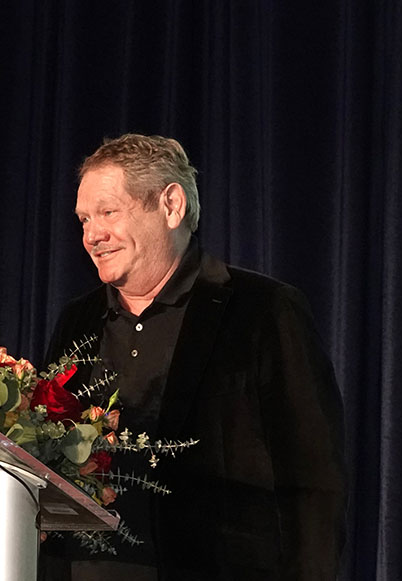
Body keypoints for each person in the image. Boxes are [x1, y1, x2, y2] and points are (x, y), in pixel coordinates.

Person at [39, 134, 346, 580]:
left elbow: (314, 481)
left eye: (108, 212)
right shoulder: (77, 320)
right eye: (84, 218)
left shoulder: (263, 310)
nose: (92, 235)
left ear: (171, 205)